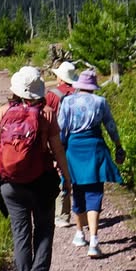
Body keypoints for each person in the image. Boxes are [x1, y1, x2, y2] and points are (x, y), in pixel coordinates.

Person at [0, 66, 72, 271]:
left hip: (10, 183)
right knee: (45, 227)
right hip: (41, 181)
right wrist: (66, 178)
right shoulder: (46, 113)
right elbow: (57, 150)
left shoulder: (3, 112)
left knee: (21, 234)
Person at [57, 68, 125, 259]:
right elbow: (110, 126)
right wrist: (118, 146)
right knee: (95, 192)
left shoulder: (68, 101)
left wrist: (59, 152)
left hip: (74, 149)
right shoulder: (100, 102)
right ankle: (94, 241)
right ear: (93, 86)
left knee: (76, 189)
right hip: (95, 147)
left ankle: (80, 234)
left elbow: (62, 128)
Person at [45, 61, 77, 228]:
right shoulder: (80, 92)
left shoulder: (52, 95)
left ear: (60, 77)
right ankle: (83, 214)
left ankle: (62, 215)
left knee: (62, 174)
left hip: (59, 138)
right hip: (78, 138)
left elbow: (45, 116)